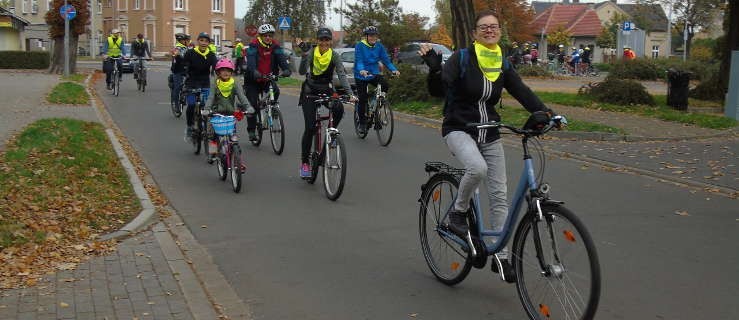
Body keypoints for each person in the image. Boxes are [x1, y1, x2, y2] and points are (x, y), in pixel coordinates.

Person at [419, 10, 558, 262]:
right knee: (477, 168)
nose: (489, 30)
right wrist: (435, 71)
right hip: (459, 128)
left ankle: (501, 256)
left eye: (494, 27)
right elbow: (439, 90)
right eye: (484, 27)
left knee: (498, 196)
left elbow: (521, 91)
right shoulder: (462, 58)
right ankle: (457, 214)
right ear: (474, 33)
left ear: (500, 32)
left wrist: (547, 113)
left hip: (490, 132)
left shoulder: (501, 62)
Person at [295, 28, 356, 178]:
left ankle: (331, 136)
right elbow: (302, 72)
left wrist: (350, 94)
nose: (324, 42)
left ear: (330, 41)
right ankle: (305, 163)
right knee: (310, 128)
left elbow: (341, 74)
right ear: (317, 40)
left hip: (326, 89)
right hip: (310, 92)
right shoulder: (311, 53)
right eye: (321, 40)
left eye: (327, 40)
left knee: (339, 109)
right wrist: (304, 56)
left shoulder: (334, 55)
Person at [244, 23, 292, 141]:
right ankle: (251, 130)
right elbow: (250, 61)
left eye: (270, 35)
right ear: (260, 36)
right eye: (265, 35)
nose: (268, 37)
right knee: (252, 106)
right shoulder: (254, 45)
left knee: (276, 91)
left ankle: (272, 107)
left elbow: (281, 59)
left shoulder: (275, 46)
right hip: (253, 80)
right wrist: (254, 71)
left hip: (268, 78)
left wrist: (286, 69)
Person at [354, 25, 400, 135]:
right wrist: (361, 70)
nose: (373, 37)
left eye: (374, 35)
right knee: (362, 99)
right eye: (370, 35)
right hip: (361, 75)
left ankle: (376, 108)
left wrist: (394, 70)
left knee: (385, 85)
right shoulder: (360, 46)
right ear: (366, 36)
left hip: (373, 73)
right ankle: (362, 123)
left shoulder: (379, 47)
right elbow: (359, 60)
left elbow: (386, 61)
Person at [203, 58, 251, 162]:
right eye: (223, 70)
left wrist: (248, 107)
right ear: (218, 72)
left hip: (230, 114)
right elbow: (211, 97)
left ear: (231, 72)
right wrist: (207, 109)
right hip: (216, 114)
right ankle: (212, 153)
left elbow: (241, 96)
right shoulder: (215, 83)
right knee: (212, 136)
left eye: (228, 70)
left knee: (233, 138)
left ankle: (237, 159)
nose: (226, 72)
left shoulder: (235, 83)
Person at [182, 32, 218, 141]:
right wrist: (185, 71)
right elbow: (184, 65)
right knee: (192, 105)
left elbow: (217, 67)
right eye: (201, 40)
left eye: (206, 41)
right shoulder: (190, 53)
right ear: (198, 41)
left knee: (207, 107)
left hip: (204, 83)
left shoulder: (211, 55)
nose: (203, 43)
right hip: (191, 82)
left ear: (208, 43)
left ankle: (208, 128)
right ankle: (189, 127)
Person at [170, 33, 190, 109]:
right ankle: (176, 104)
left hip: (186, 70)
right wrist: (178, 56)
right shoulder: (177, 48)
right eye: (187, 40)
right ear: (182, 41)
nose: (188, 42)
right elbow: (178, 58)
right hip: (178, 70)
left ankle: (185, 96)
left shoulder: (186, 48)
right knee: (177, 87)